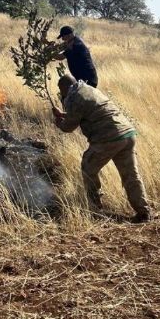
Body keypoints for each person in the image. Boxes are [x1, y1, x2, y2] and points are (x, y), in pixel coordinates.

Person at [52, 74, 152, 223]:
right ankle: (143, 211)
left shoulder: (74, 98)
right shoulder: (88, 89)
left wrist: (59, 122)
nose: (62, 95)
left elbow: (68, 127)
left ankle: (95, 209)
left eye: (61, 91)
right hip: (127, 134)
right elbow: (88, 111)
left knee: (88, 167)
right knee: (131, 174)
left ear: (64, 88)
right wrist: (64, 114)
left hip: (109, 138)